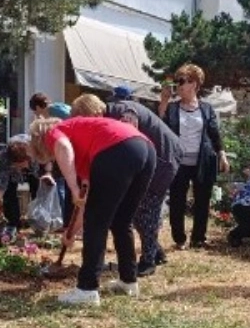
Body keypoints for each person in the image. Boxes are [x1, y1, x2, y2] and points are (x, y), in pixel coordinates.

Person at [28, 116, 155, 306]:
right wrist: (71, 232)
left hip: (118, 149)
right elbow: (86, 201)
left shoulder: (55, 131)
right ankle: (129, 281)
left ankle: (87, 289)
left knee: (97, 223)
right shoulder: (86, 145)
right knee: (121, 221)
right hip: (145, 149)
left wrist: (72, 188)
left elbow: (62, 147)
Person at [71, 94, 182, 276]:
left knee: (147, 210)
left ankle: (148, 260)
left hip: (163, 159)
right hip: (150, 159)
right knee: (134, 211)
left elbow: (130, 130)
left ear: (92, 112)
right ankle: (156, 251)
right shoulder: (110, 117)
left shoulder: (123, 110)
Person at [159, 64, 228, 249]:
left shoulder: (206, 109)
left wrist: (222, 154)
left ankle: (198, 238)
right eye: (178, 81)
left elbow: (214, 133)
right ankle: (179, 238)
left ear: (195, 84)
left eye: (184, 81)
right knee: (177, 200)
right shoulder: (173, 108)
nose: (179, 85)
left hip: (202, 161)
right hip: (178, 161)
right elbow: (161, 127)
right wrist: (164, 101)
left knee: (202, 201)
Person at [0, 136, 40, 226]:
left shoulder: (35, 153)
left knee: (38, 189)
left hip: (34, 166)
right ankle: (14, 221)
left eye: (21, 166)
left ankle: (39, 219)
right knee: (9, 190)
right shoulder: (5, 158)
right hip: (11, 168)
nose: (20, 169)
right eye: (17, 166)